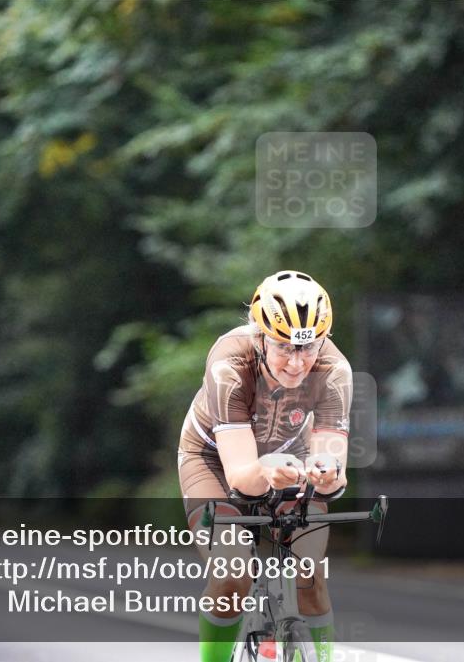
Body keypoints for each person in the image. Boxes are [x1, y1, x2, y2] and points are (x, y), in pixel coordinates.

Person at [179, 270, 352, 662]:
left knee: (309, 576)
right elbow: (243, 477)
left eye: (308, 348)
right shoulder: (229, 362)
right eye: (283, 347)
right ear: (260, 337)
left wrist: (326, 473)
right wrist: (266, 470)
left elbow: (331, 467)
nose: (297, 362)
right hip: (214, 461)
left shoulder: (334, 371)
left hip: (293, 459)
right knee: (232, 578)